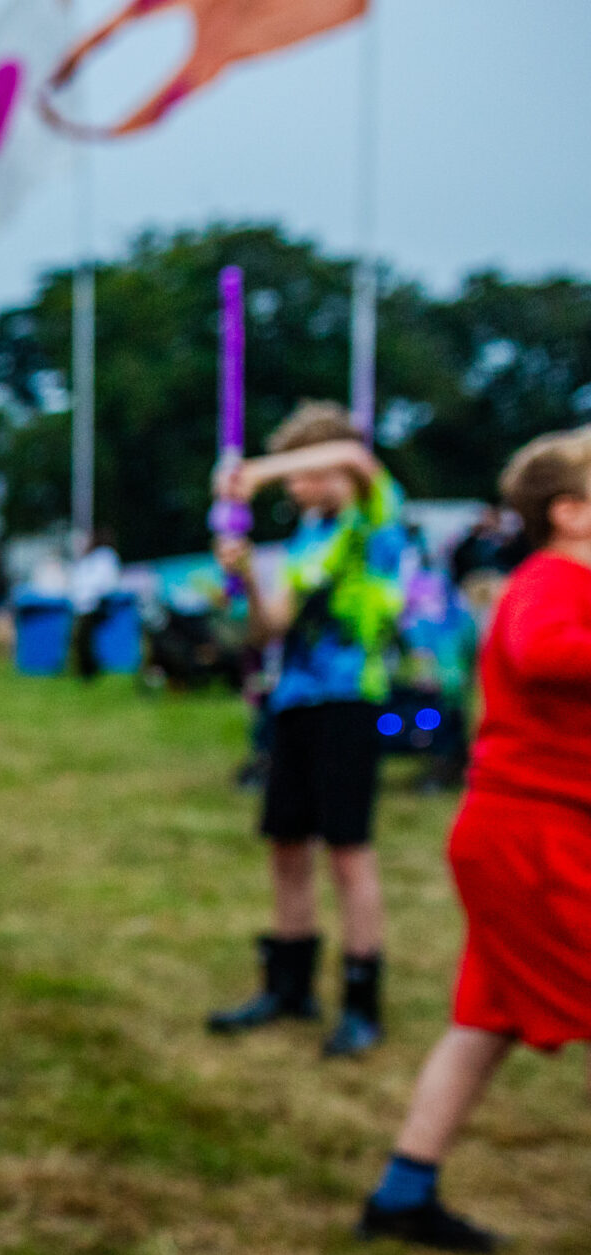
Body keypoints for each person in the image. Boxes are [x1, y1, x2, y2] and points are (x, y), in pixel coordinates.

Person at [356, 429, 591, 1254]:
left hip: (532, 833)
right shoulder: (552, 582)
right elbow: (541, 651)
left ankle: (403, 1192)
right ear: (570, 513)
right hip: (531, 838)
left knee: (484, 1020)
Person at [207, 404, 408, 1057]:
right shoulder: (306, 539)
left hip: (350, 700)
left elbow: (357, 460)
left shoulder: (375, 515)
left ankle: (361, 1000)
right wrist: (245, 579)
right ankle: (289, 986)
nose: (292, 489)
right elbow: (271, 629)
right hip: (293, 701)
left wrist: (255, 472)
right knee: (286, 843)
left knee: (348, 850)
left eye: (301, 473)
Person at [67, 530, 121, 681]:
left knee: (82, 640)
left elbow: (103, 582)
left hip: (89, 603)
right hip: (89, 603)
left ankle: (87, 672)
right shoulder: (103, 557)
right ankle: (86, 671)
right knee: (82, 640)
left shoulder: (100, 557)